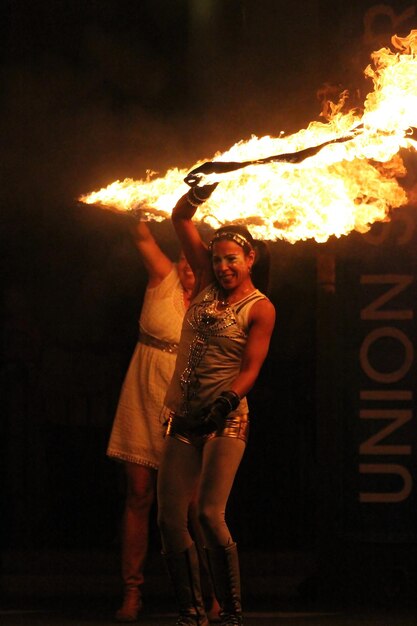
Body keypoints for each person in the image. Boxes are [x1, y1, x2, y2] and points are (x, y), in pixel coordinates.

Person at [157, 184, 276, 626]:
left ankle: (229, 613)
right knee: (170, 522)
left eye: (233, 259)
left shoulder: (260, 308)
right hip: (182, 420)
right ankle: (190, 614)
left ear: (250, 261)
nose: (224, 266)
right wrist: (195, 196)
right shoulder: (203, 283)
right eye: (219, 258)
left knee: (208, 514)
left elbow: (252, 366)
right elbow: (179, 220)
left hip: (226, 422)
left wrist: (228, 399)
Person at [106, 218, 220, 623]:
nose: (188, 268)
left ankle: (209, 595)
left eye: (196, 261)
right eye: (184, 260)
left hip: (185, 401)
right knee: (138, 495)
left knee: (192, 506)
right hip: (143, 391)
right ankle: (132, 593)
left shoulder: (215, 298)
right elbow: (138, 234)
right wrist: (137, 207)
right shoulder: (163, 277)